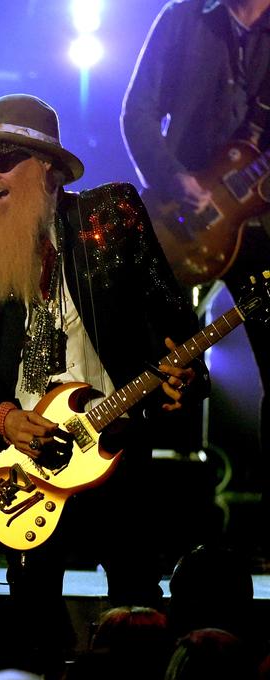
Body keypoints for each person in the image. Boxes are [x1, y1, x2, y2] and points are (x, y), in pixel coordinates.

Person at [0, 94, 210, 679]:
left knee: (136, 591)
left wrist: (182, 378)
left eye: (4, 158)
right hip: (30, 453)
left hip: (114, 435)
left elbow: (173, 321)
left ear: (47, 165)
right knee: (33, 608)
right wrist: (2, 418)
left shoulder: (110, 214)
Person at [122, 0, 270, 516]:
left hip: (261, 233)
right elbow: (136, 112)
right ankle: (130, 550)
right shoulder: (184, 17)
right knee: (140, 377)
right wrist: (174, 181)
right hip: (176, 221)